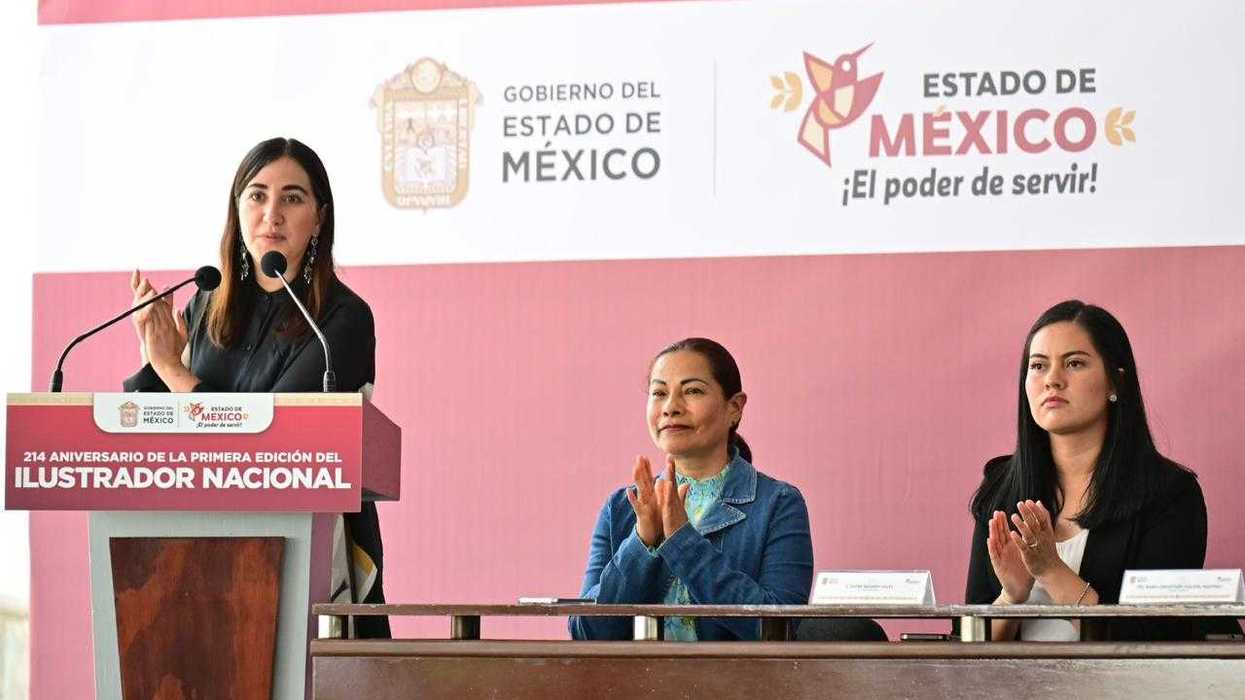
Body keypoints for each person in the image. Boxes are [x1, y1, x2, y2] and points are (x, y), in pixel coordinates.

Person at [123, 137, 390, 638]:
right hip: (192, 560)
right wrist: (153, 358)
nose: (272, 214)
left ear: (319, 217)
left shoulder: (342, 319)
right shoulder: (205, 305)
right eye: (257, 195)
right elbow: (150, 434)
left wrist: (174, 370)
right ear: (237, 209)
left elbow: (271, 448)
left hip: (306, 566)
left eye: (292, 198)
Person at [965, 300, 1223, 641]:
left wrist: (1052, 571)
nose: (1052, 381)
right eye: (1038, 366)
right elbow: (966, 651)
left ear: (1115, 383)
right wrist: (1011, 597)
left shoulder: (1170, 494)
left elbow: (1156, 640)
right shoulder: (1001, 486)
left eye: (1074, 363)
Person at [570, 338, 813, 640]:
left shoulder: (779, 504)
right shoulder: (621, 507)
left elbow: (778, 631)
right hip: (635, 686)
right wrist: (643, 541)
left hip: (737, 686)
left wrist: (682, 541)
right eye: (659, 393)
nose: (671, 407)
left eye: (693, 391)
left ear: (734, 408)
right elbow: (587, 632)